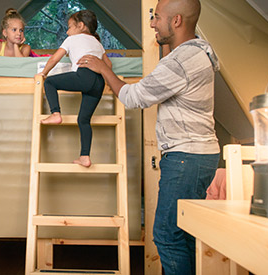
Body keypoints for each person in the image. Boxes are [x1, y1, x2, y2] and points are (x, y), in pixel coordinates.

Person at [78, 0, 220, 274]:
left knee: (167, 236)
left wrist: (104, 69)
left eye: (157, 17)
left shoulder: (180, 62)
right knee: (183, 235)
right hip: (199, 155)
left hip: (185, 158)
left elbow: (134, 97)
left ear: (176, 21)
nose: (152, 23)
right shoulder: (197, 51)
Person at [37, 10, 112, 167]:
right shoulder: (98, 44)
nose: (67, 31)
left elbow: (54, 58)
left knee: (49, 82)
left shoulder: (72, 39)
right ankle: (85, 156)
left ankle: (55, 113)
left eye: (69, 27)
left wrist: (43, 73)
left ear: (81, 26)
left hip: (84, 75)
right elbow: (108, 66)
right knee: (83, 120)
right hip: (98, 82)